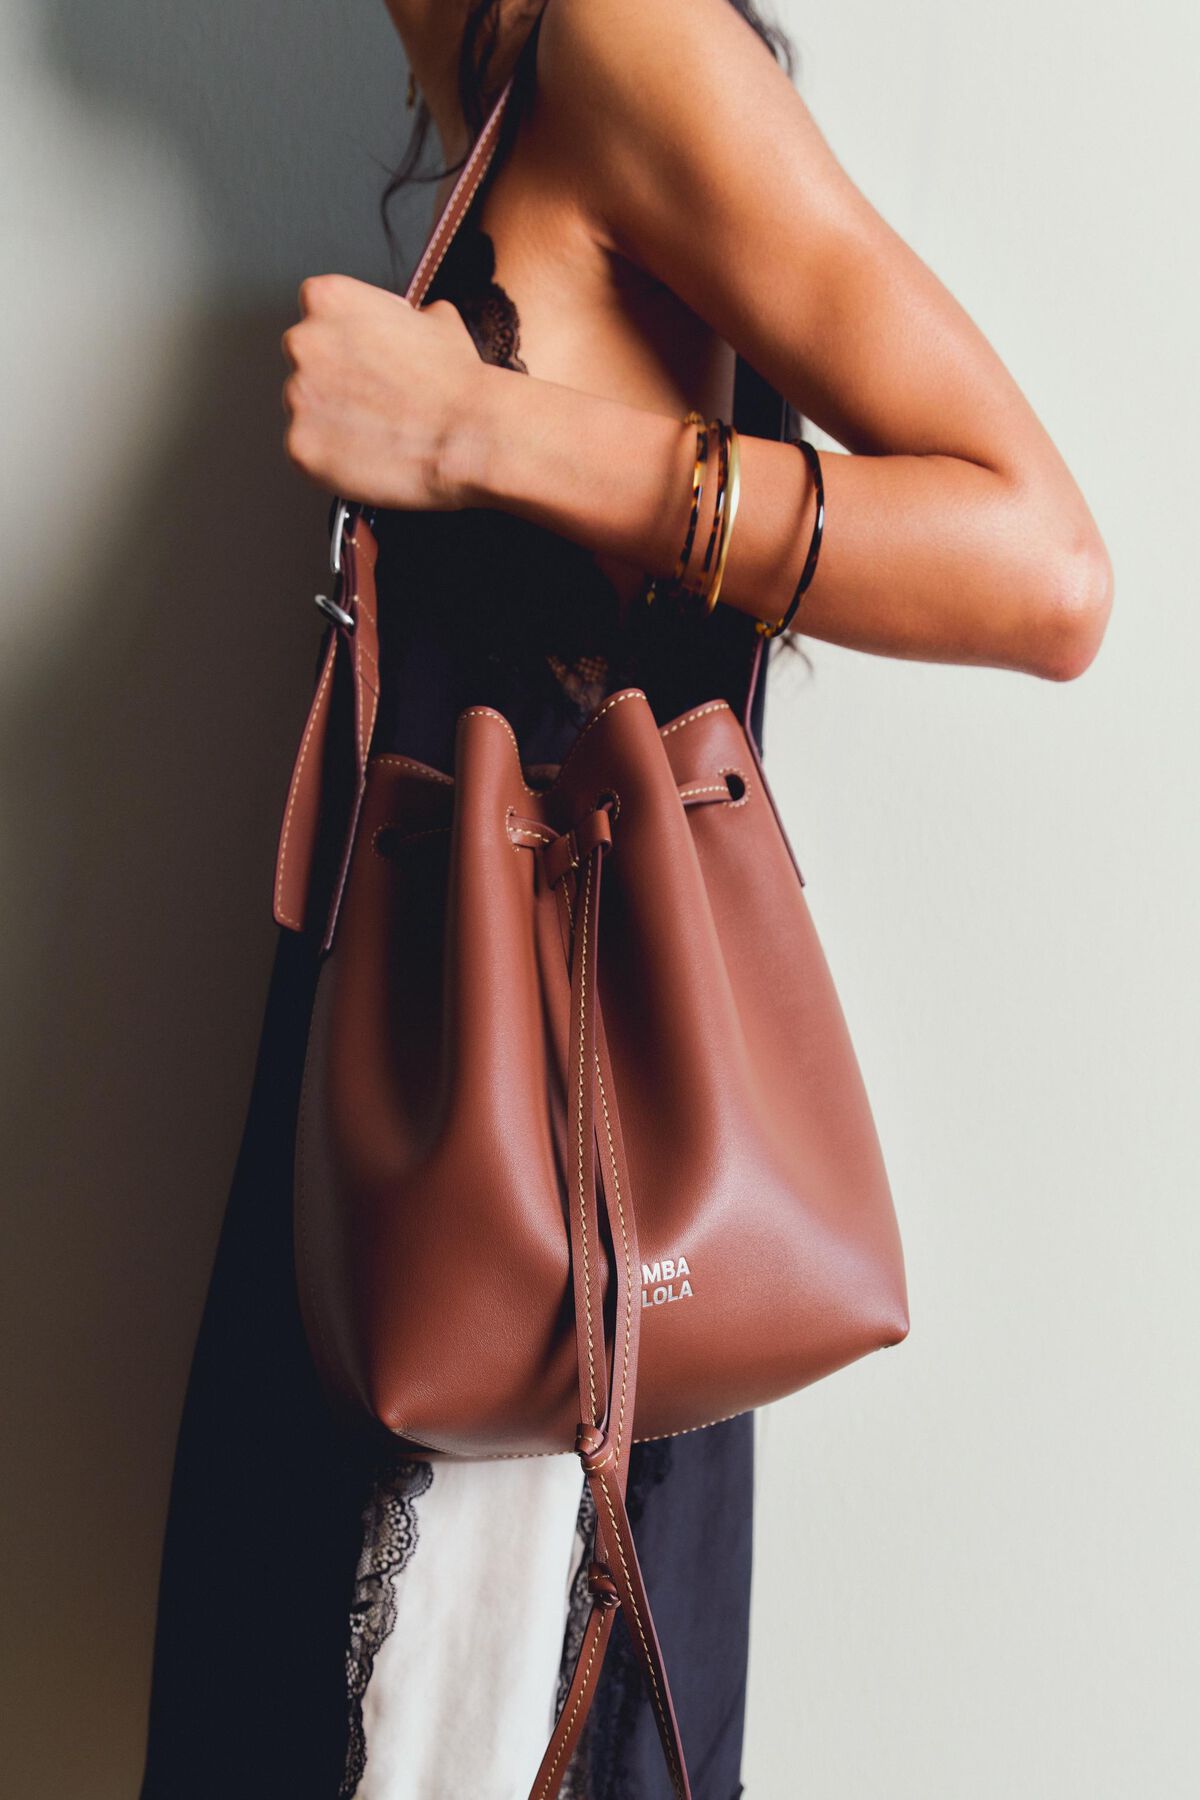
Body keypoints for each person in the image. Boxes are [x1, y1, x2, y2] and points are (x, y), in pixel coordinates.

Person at [138, 2, 1112, 1797]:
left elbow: (1043, 567)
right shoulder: (499, 89)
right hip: (415, 1202)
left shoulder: (619, 35)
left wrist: (477, 436)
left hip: (531, 1264)